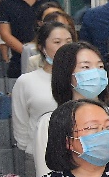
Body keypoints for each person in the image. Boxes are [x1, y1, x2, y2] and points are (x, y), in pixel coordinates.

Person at [33, 42, 109, 177]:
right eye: (85, 67)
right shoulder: (49, 123)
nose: (96, 72)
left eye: (100, 66)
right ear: (66, 73)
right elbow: (45, 176)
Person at [11, 20, 72, 163]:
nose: (64, 47)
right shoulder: (26, 81)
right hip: (39, 154)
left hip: (78, 155)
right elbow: (20, 122)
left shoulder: (81, 79)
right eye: (57, 42)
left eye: (69, 42)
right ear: (42, 47)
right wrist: (30, 149)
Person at [0, 0, 60, 78]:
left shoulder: (50, 2)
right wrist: (28, 52)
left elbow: (59, 28)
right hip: (19, 61)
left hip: (50, 60)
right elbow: (5, 34)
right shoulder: (6, 4)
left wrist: (44, 53)